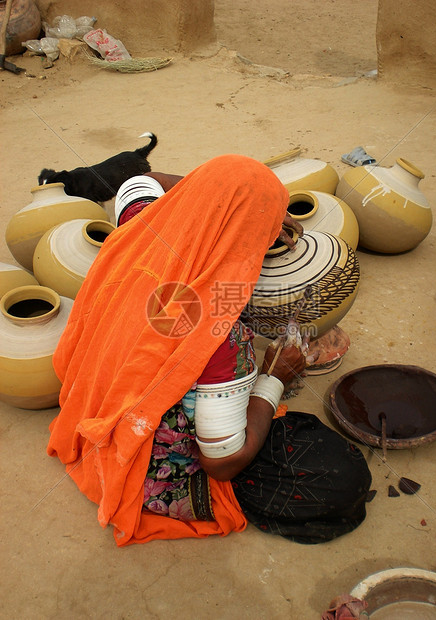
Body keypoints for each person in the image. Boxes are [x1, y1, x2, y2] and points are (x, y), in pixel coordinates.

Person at [47, 154, 371, 546]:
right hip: (144, 453)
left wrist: (218, 196)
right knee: (336, 476)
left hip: (90, 394)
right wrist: (274, 381)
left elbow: (146, 178)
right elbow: (222, 464)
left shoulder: (142, 223)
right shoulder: (218, 338)